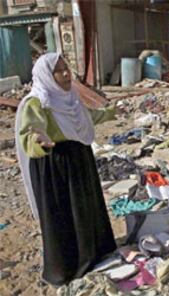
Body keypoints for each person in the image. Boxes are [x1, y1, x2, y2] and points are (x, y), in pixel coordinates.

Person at [15, 53, 117, 286]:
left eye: (66, 68)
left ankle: (94, 254)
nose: (66, 74)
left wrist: (112, 113)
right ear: (46, 76)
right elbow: (30, 131)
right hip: (55, 164)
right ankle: (68, 266)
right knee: (63, 215)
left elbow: (87, 118)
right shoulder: (37, 102)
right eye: (58, 71)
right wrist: (39, 142)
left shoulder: (70, 99)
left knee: (85, 208)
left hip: (79, 158)